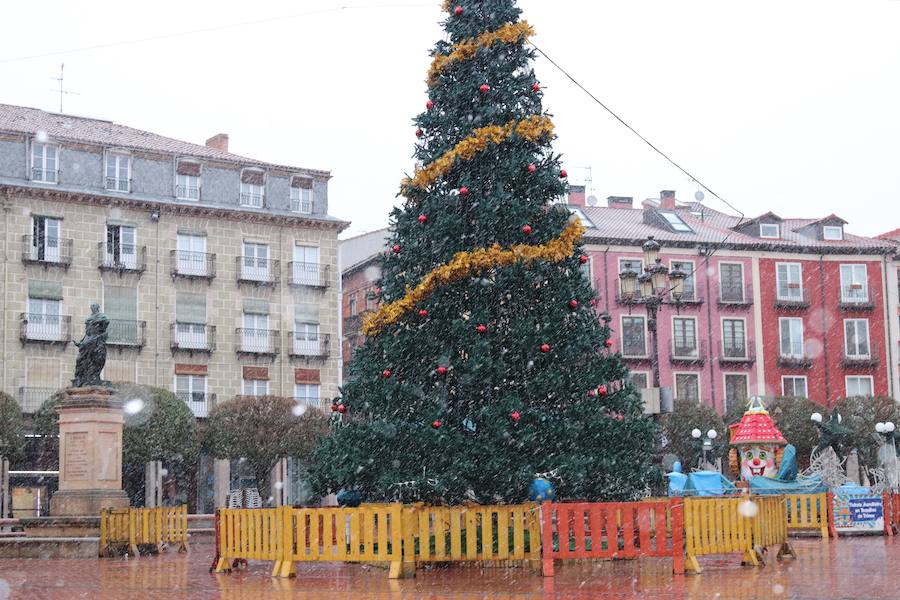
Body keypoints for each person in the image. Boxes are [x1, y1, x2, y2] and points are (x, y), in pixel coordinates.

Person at [72, 303, 110, 387]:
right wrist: (80, 343)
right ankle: (80, 377)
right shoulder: (89, 318)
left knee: (96, 359)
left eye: (94, 307)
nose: (93, 308)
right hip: (88, 338)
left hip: (95, 338)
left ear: (97, 308)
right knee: (80, 359)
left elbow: (106, 321)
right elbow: (87, 332)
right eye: (92, 307)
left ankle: (93, 376)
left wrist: (96, 323)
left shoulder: (101, 316)